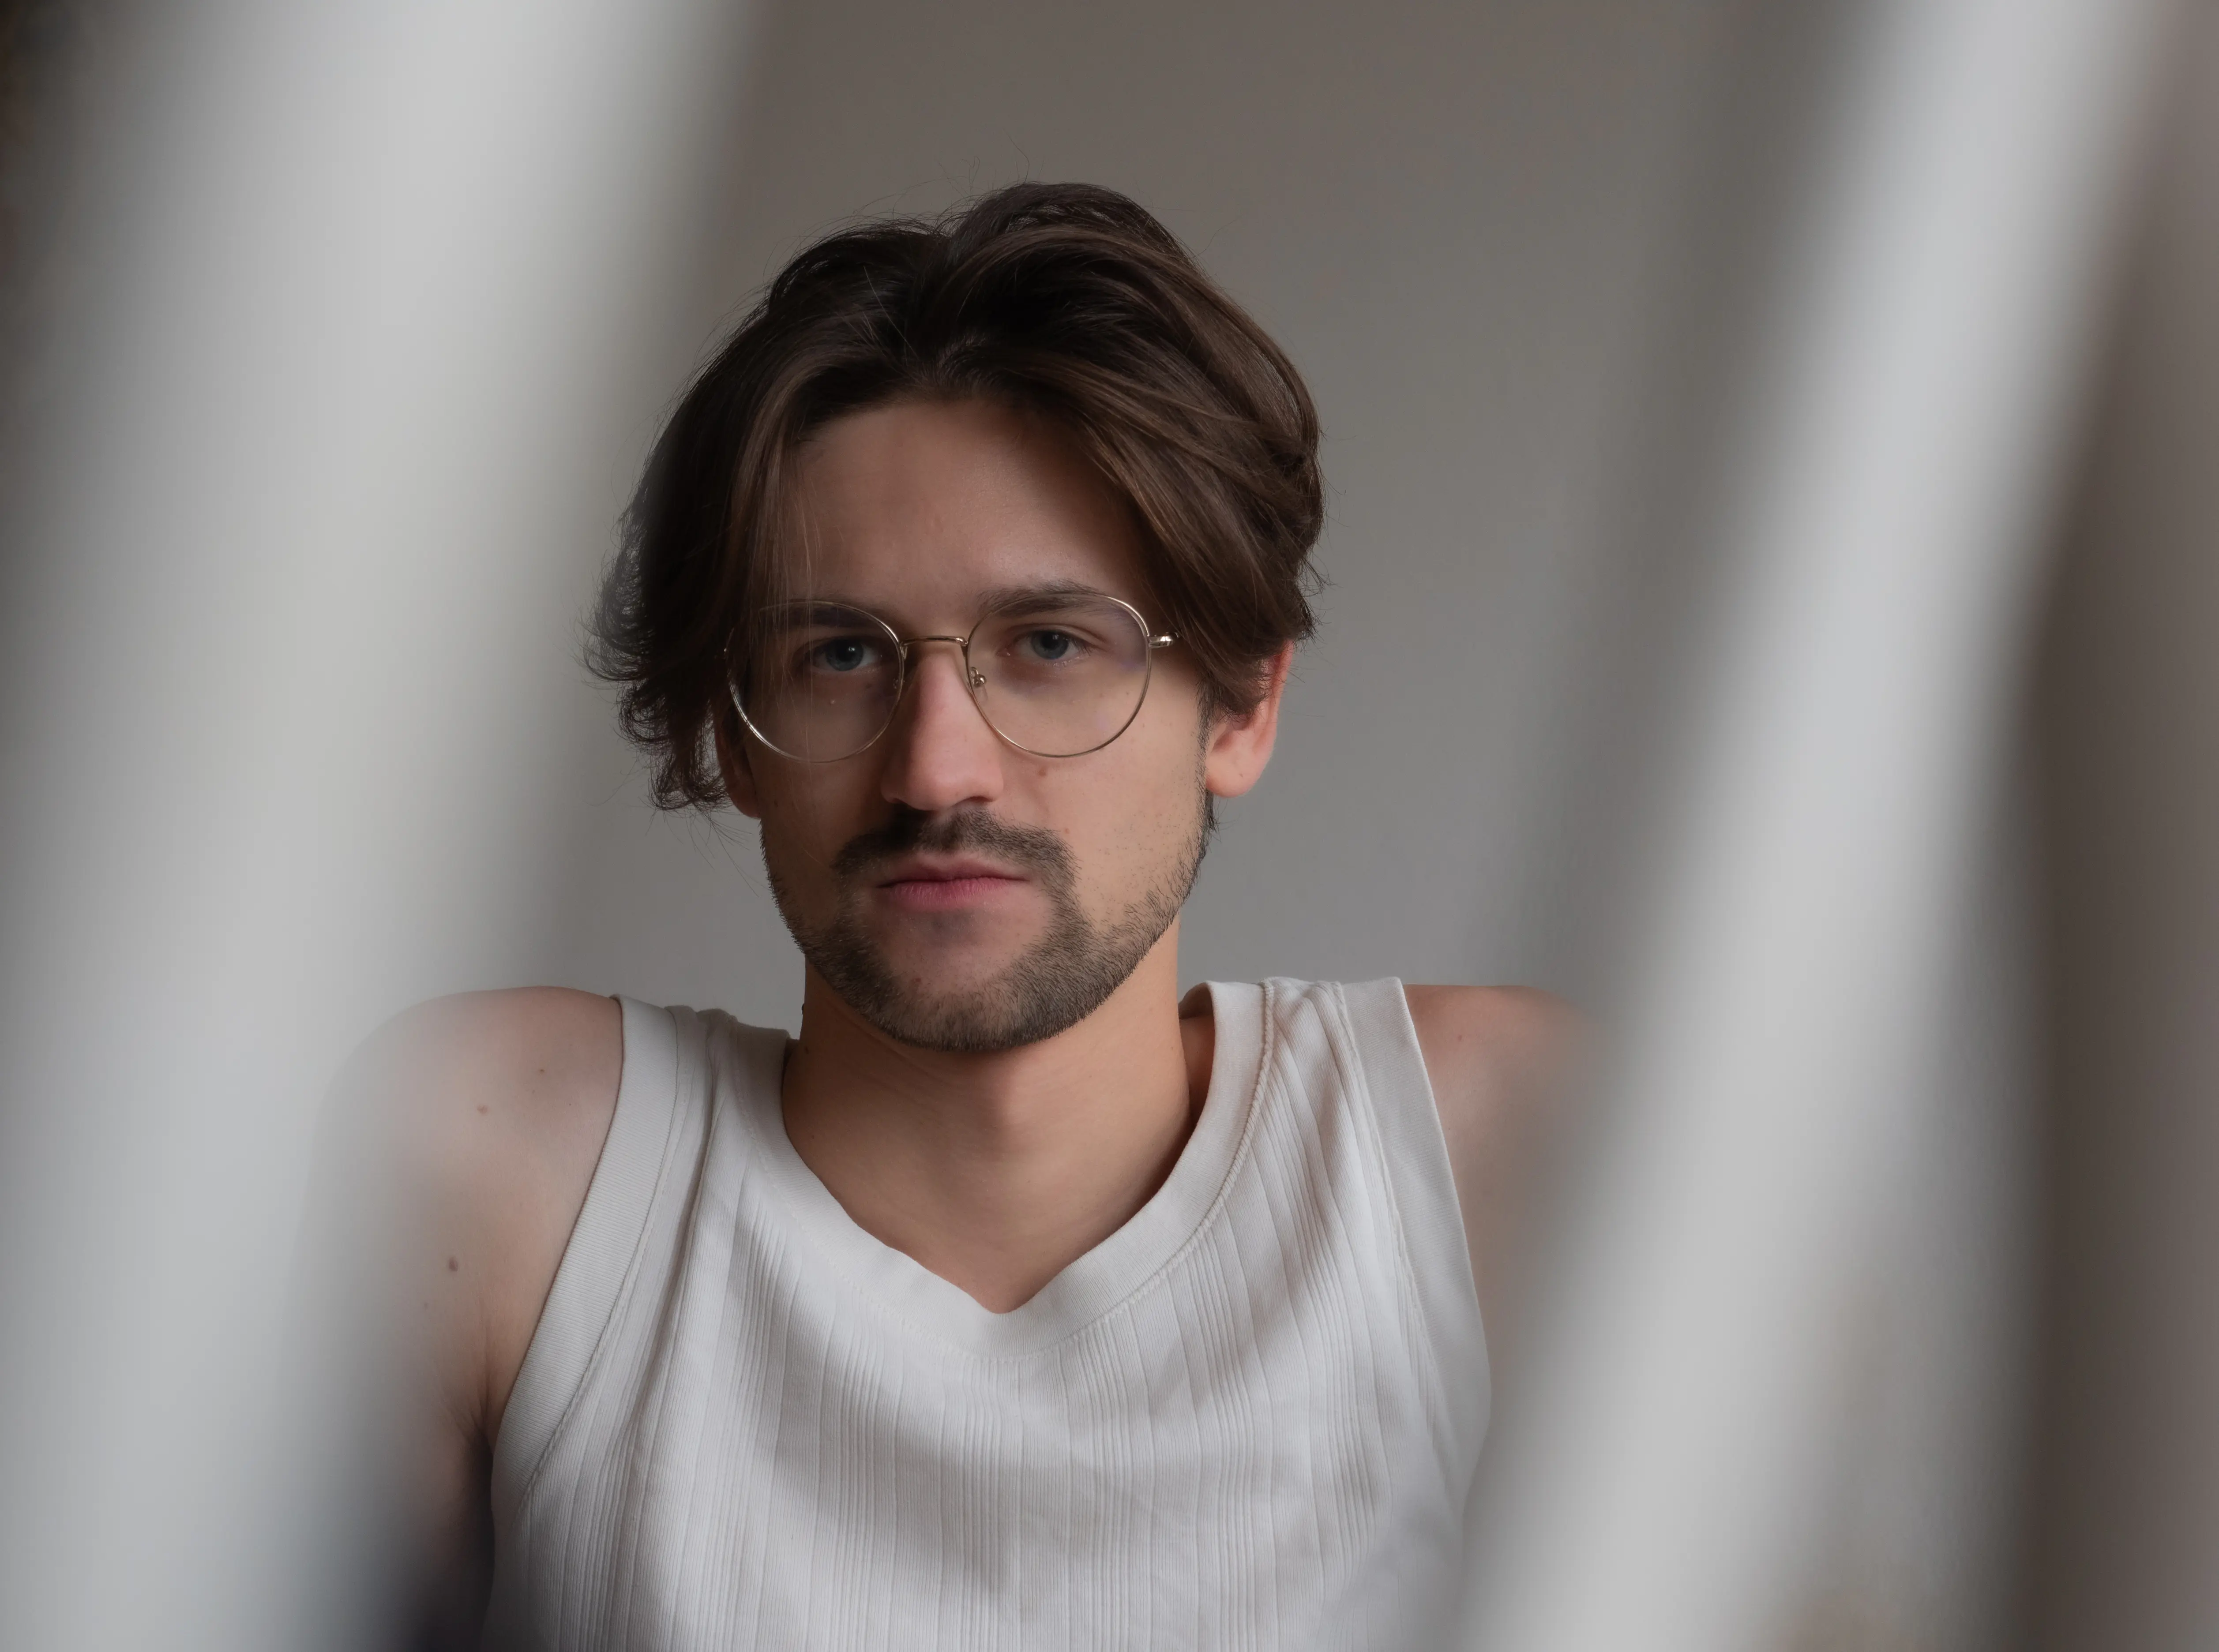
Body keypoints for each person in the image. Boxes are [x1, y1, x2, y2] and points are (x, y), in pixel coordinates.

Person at [344, 181, 1568, 1651]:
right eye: (839, 654)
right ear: (732, 734)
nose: (936, 769)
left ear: (1241, 707)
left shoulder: (1484, 1148)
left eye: (1049, 644)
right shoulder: (508, 1165)